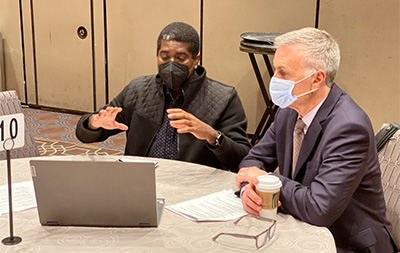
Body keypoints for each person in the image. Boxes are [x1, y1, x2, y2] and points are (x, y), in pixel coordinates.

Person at [236, 28, 397, 252]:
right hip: (301, 230)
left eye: (283, 73)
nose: (275, 80)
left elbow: (320, 209)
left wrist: (267, 180)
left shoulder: (349, 127)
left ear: (316, 79)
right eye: (275, 71)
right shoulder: (290, 109)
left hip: (346, 243)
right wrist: (248, 190)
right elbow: (253, 161)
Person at [76, 22, 251, 172]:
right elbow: (84, 134)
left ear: (196, 59)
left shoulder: (223, 97)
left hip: (193, 187)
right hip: (142, 181)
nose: (171, 64)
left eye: (181, 58)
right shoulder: (138, 89)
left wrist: (213, 136)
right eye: (165, 57)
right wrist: (93, 124)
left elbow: (242, 160)